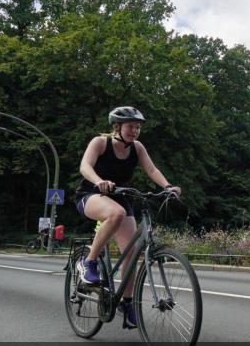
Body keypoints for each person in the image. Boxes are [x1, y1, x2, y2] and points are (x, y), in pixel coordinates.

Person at [74, 106, 180, 328]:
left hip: (121, 196)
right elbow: (85, 166)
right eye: (131, 126)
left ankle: (127, 303)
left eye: (138, 127)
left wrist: (168, 186)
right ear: (117, 126)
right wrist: (98, 181)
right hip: (91, 194)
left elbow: (151, 170)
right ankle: (89, 263)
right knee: (116, 213)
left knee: (132, 254)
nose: (135, 131)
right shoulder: (100, 142)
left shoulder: (137, 148)